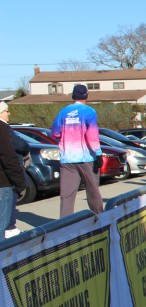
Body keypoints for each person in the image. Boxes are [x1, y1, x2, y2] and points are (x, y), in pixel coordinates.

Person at [50, 85, 103, 217]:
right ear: (86, 96)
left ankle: (65, 224)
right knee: (93, 190)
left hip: (67, 158)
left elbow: (55, 133)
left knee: (67, 194)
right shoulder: (89, 112)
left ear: (73, 96)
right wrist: (98, 154)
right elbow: (92, 136)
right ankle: (99, 219)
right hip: (86, 158)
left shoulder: (63, 112)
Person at [0, 101, 27, 238]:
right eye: (6, 111)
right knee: (2, 224)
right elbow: (8, 157)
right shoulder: (2, 128)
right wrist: (20, 182)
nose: (8, 113)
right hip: (3, 183)